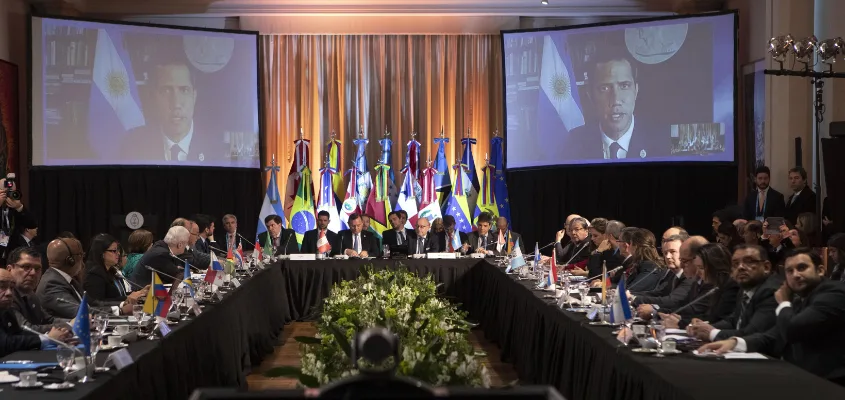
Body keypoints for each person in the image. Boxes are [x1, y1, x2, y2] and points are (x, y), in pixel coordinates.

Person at [698, 248, 845, 386]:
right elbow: (774, 335)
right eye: (789, 271)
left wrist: (784, 303)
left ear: (820, 270)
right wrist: (735, 343)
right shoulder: (803, 296)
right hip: (804, 377)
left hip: (830, 383)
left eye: (801, 268)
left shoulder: (833, 294)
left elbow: (792, 330)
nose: (795, 275)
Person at [561, 48, 667, 161]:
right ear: (591, 96)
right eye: (605, 88)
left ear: (636, 91)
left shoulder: (663, 140)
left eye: (624, 86)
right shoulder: (573, 144)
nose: (616, 100)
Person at [120, 61, 227, 163]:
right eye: (166, 90)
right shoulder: (133, 147)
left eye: (184, 90)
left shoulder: (219, 151)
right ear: (154, 98)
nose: (176, 104)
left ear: (194, 96)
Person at [687, 244, 781, 342]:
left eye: (748, 261)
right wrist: (704, 327)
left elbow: (751, 333)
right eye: (735, 263)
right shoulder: (744, 289)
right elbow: (733, 321)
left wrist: (711, 333)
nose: (740, 267)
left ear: (766, 267)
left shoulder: (771, 291)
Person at [38, 238, 133, 319]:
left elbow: (92, 303)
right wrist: (119, 311)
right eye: (81, 255)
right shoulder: (52, 284)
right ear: (70, 260)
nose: (83, 262)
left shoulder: (67, 279)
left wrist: (121, 305)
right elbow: (81, 313)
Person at [660, 243, 739, 329]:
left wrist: (681, 323)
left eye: (701, 268)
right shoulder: (717, 285)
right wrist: (681, 319)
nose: (697, 273)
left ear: (715, 266)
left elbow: (716, 319)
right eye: (697, 267)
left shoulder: (731, 287)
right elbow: (707, 316)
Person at [6, 247, 71, 335]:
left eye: (37, 268)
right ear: (9, 269)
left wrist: (77, 321)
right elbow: (26, 329)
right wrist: (68, 325)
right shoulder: (6, 297)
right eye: (26, 267)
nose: (33, 273)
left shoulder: (30, 293)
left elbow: (48, 319)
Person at [83, 233, 148, 303]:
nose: (119, 253)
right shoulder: (94, 274)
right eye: (114, 251)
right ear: (102, 253)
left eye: (118, 250)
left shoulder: (111, 271)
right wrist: (127, 299)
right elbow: (97, 302)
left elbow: (119, 295)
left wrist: (140, 293)